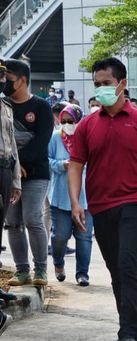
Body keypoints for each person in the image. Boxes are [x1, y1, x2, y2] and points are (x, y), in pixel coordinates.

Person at [67, 57, 137, 341]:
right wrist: (76, 202)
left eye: (107, 83)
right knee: (117, 271)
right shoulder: (87, 125)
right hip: (101, 206)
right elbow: (76, 165)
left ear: (123, 84)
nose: (101, 89)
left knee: (128, 264)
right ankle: (132, 329)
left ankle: (128, 333)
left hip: (136, 204)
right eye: (97, 84)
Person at [3, 59, 54, 287]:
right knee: (13, 222)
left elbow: (41, 142)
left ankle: (40, 269)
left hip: (36, 173)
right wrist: (13, 167)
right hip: (9, 174)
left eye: (9, 79)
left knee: (32, 218)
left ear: (22, 80)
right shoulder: (3, 105)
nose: (5, 83)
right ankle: (22, 270)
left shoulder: (41, 106)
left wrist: (20, 163)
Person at [47, 104, 93, 286]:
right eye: (63, 121)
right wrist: (61, 165)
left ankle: (82, 273)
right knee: (60, 236)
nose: (66, 124)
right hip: (60, 197)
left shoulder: (87, 139)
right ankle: (58, 264)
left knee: (84, 237)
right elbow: (47, 160)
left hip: (85, 198)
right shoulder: (54, 138)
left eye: (71, 121)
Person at [0, 63, 23, 273]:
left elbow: (12, 146)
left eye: (3, 76)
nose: (2, 80)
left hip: (5, 170)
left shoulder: (6, 106)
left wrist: (16, 181)